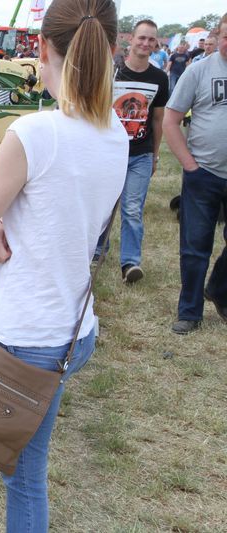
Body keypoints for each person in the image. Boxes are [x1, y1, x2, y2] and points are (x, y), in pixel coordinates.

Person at [0, 0, 127, 531]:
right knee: (26, 475)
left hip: (20, 340)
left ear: (42, 49)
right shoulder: (118, 136)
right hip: (72, 332)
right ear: (110, 50)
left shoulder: (34, 134)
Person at [162, 13, 227, 335]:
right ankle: (190, 312)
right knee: (195, 247)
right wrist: (189, 164)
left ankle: (218, 289)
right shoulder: (199, 70)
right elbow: (171, 120)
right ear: (219, 36)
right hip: (204, 174)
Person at [110, 19, 169, 283]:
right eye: (141, 38)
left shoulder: (159, 78)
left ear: (155, 44)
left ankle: (130, 263)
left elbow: (157, 119)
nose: (146, 43)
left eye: (151, 39)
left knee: (132, 208)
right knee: (104, 206)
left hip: (140, 154)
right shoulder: (112, 72)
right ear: (130, 40)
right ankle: (97, 250)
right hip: (109, 152)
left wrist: (155, 155)